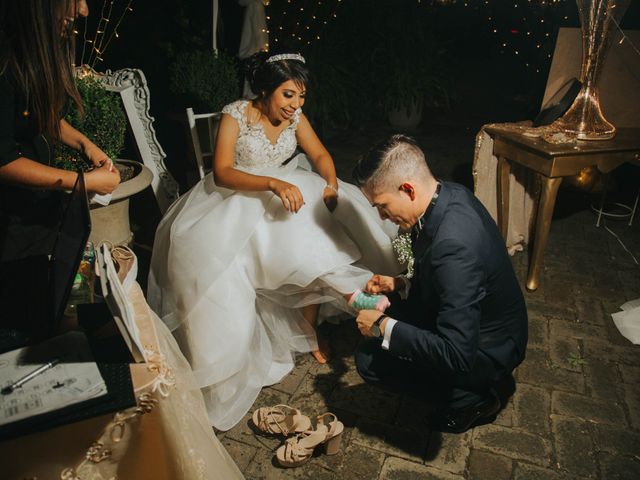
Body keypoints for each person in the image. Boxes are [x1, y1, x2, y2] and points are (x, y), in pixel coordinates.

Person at [148, 51, 400, 430]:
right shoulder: (235, 114)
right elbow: (221, 173)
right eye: (287, 95)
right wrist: (272, 182)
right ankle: (350, 294)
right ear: (264, 91)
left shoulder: (295, 116)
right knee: (277, 241)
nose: (295, 105)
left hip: (287, 192)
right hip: (237, 198)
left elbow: (319, 154)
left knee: (316, 224)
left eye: (301, 97)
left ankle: (328, 314)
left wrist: (330, 186)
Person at [352, 134, 528, 434]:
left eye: (382, 205)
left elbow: (457, 354)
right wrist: (400, 283)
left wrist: (382, 326)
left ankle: (473, 399)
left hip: (486, 348)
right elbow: (447, 277)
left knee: (370, 361)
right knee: (395, 319)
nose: (382, 216)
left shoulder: (454, 245)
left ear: (407, 189)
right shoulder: (450, 194)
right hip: (484, 320)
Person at [0, 0, 120, 339]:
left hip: (39, 208)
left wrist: (85, 145)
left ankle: (73, 332)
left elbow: (43, 116)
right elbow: (3, 158)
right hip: (10, 223)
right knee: (25, 319)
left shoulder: (31, 51)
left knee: (73, 280)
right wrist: (82, 181)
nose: (83, 10)